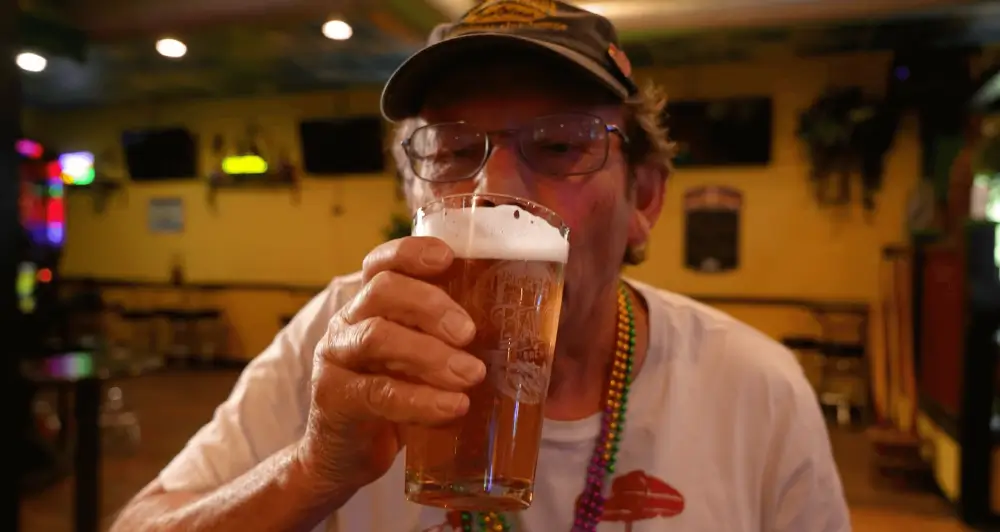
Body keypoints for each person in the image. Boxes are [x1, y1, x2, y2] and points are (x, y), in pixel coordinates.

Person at [110, 1, 850, 531]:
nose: (494, 192)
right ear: (412, 193)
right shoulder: (340, 343)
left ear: (645, 200)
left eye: (561, 146)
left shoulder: (755, 386)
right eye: (453, 153)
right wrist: (312, 472)